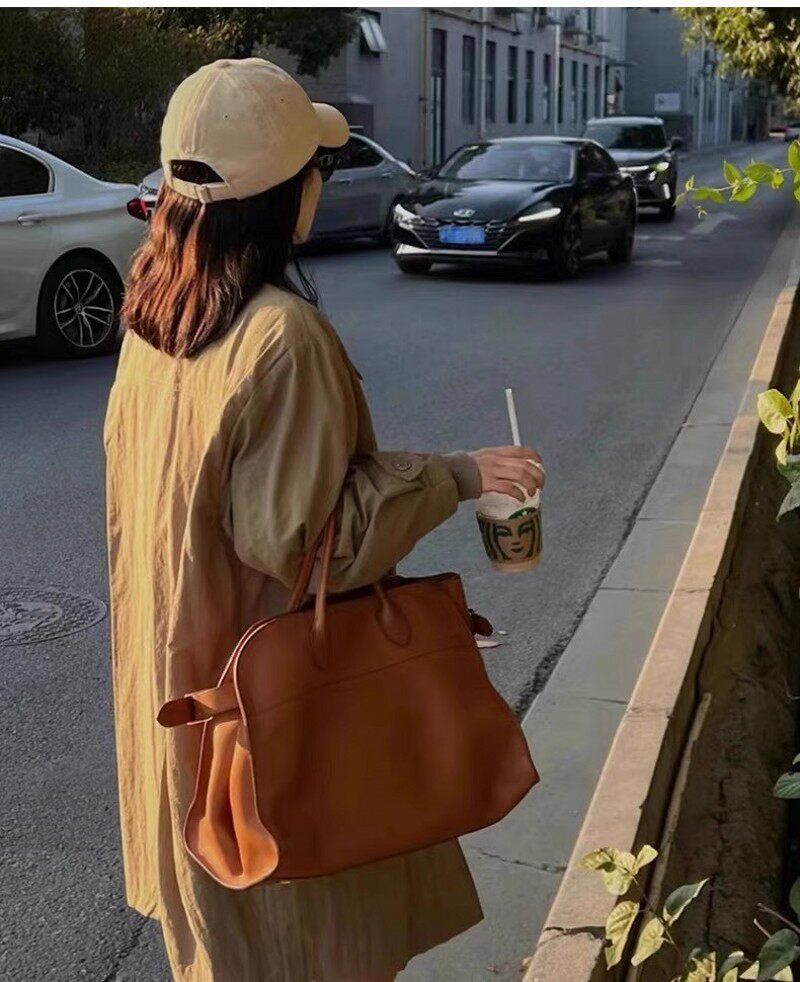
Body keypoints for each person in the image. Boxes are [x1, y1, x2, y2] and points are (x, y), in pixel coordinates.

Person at [104, 58, 545, 982]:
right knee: (303, 941)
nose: (321, 183)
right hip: (278, 714)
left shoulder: (156, 312)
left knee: (221, 938)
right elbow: (311, 548)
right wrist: (457, 476)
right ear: (285, 194)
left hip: (187, 689)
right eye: (319, 167)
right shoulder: (280, 334)